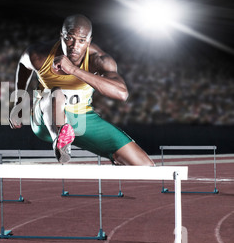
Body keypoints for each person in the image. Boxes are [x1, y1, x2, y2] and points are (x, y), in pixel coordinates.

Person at [9, 14, 154, 166]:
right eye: (69, 38)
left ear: (89, 41)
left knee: (145, 166)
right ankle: (59, 142)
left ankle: (67, 137)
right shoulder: (39, 54)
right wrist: (18, 104)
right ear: (61, 36)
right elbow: (23, 65)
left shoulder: (98, 60)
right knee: (56, 93)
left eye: (82, 40)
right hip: (46, 118)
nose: (74, 45)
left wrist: (73, 70)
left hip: (82, 119)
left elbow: (121, 93)